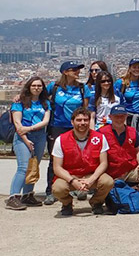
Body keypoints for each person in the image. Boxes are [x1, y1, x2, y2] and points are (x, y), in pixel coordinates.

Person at [49, 107, 113, 216]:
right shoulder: (61, 139)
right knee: (57, 188)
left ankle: (96, 203)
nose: (82, 123)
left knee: (108, 182)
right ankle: (67, 203)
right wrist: (72, 180)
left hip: (91, 175)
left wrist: (91, 180)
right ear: (72, 122)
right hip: (70, 176)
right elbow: (57, 168)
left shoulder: (100, 138)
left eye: (85, 120)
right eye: (78, 120)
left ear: (89, 121)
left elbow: (103, 163)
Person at [44, 61, 89, 206]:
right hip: (57, 126)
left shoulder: (82, 88)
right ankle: (51, 190)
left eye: (78, 69)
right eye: (74, 69)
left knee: (79, 157)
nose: (77, 72)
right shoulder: (54, 87)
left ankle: (78, 187)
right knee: (55, 159)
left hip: (77, 127)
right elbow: (39, 97)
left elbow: (85, 109)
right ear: (65, 72)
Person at [7, 77, 51, 210]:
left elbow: (46, 121)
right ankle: (13, 196)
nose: (36, 88)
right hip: (22, 137)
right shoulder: (20, 102)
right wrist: (26, 138)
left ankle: (27, 194)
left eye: (39, 86)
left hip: (39, 135)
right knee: (24, 166)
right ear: (29, 87)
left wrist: (30, 129)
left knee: (34, 166)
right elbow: (17, 123)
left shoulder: (45, 103)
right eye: (34, 85)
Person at [99, 106, 139, 198]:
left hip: (129, 169)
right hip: (110, 171)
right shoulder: (101, 132)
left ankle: (136, 197)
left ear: (126, 116)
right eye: (116, 116)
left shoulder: (132, 131)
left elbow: (137, 150)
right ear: (110, 117)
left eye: (122, 116)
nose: (119, 119)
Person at [115, 58, 139, 147]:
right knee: (126, 145)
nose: (136, 69)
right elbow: (115, 100)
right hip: (127, 118)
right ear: (129, 68)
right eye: (134, 67)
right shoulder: (121, 83)